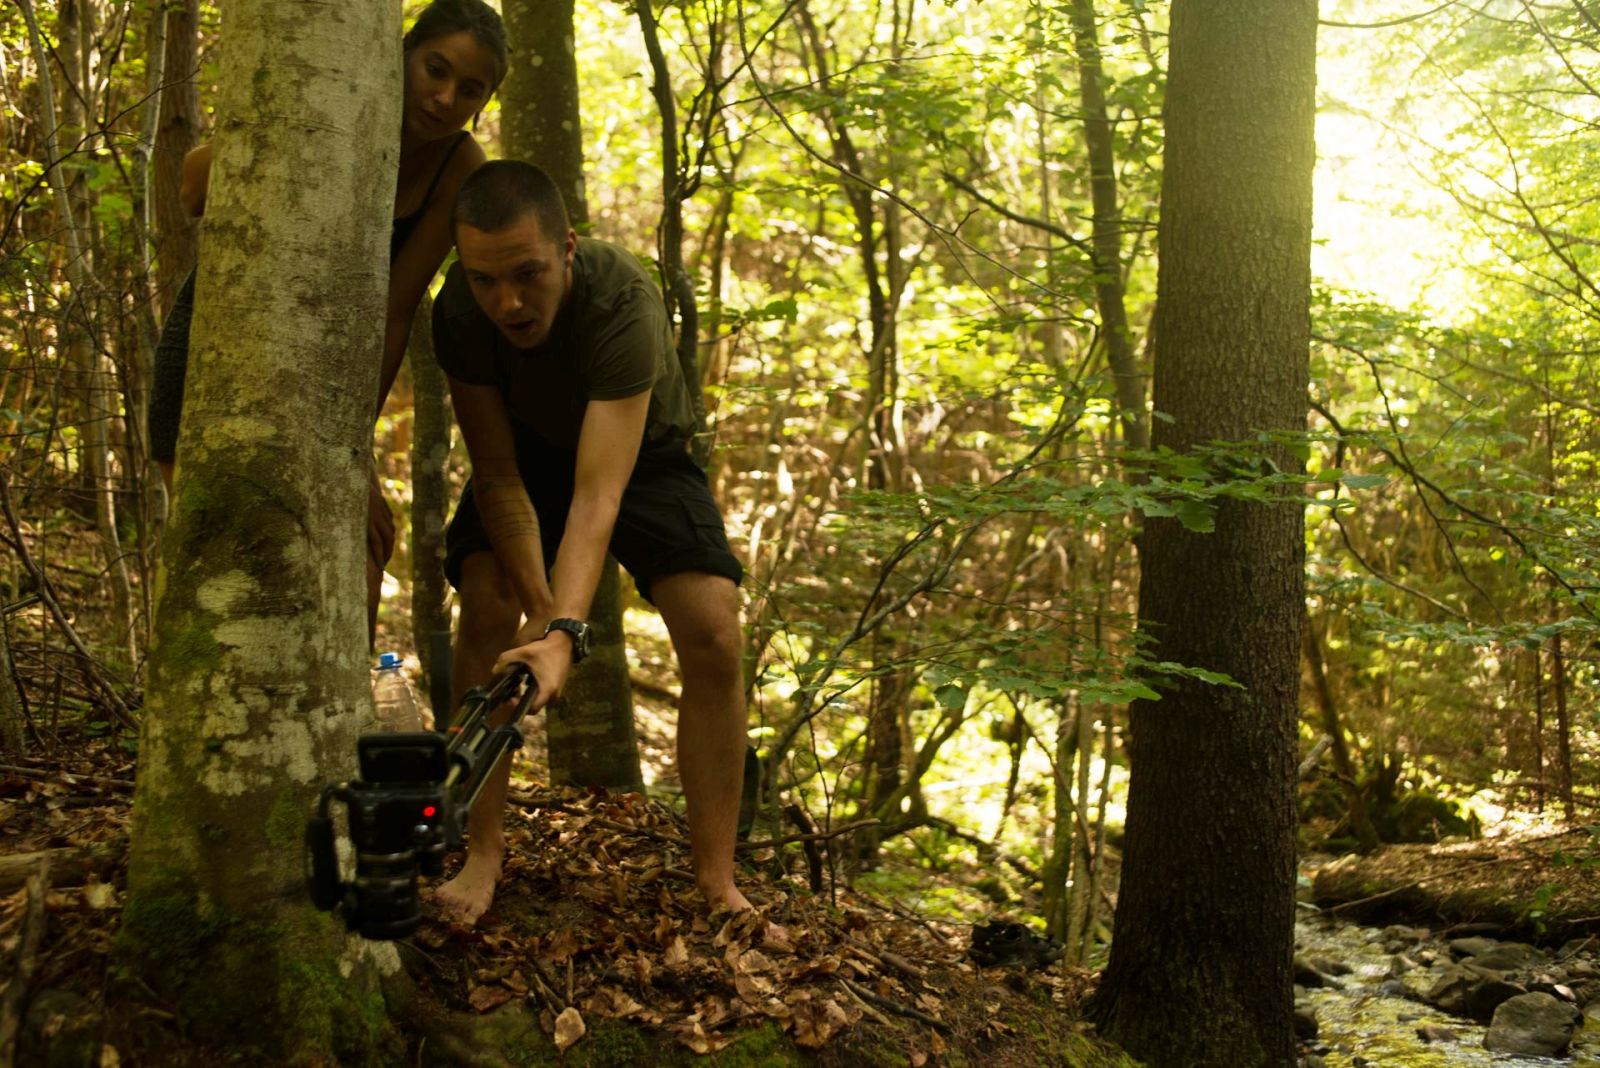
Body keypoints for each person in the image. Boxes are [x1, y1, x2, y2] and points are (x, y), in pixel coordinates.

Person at [431, 160, 752, 923]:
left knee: (714, 626)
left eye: (528, 274)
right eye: (484, 280)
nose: (507, 302)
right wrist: (539, 611)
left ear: (567, 248)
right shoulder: (458, 312)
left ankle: (717, 882)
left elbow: (598, 495)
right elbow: (498, 474)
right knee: (486, 605)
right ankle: (482, 852)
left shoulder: (622, 301)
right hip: (526, 457)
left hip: (640, 453)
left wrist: (562, 630)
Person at [146, 0, 508, 639]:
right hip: (220, 348)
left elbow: (394, 310)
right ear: (402, 53)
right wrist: (292, 129)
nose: (446, 98)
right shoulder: (338, 93)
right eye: (436, 70)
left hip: (322, 378)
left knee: (358, 570)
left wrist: (351, 453)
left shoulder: (460, 167)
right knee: (219, 563)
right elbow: (194, 189)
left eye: (470, 90)